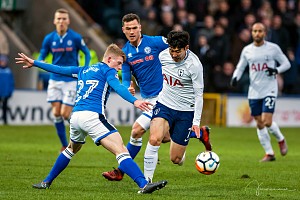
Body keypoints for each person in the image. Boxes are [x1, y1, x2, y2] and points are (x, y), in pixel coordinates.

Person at [15, 44, 167, 194]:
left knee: (71, 149)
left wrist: (34, 63)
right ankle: (143, 184)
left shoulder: (84, 69)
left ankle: (46, 181)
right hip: (92, 117)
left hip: (76, 118)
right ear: (109, 59)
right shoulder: (108, 70)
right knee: (121, 150)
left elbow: (60, 69)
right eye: (119, 63)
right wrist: (135, 101)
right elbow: (118, 87)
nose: (120, 67)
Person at [102, 13, 210, 181]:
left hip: (163, 96)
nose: (132, 31)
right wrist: (127, 87)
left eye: (134, 28)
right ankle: (196, 134)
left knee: (137, 131)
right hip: (149, 99)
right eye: (128, 29)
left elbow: (178, 47)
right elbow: (125, 78)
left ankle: (121, 171)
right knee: (161, 136)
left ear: (140, 28)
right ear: (123, 30)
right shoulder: (126, 54)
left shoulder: (156, 42)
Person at [143, 30, 212, 182]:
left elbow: (199, 95)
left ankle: (189, 135)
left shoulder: (194, 65)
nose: (174, 55)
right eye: (171, 50)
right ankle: (146, 182)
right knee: (154, 139)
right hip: (165, 104)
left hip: (185, 112)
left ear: (186, 48)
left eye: (177, 51)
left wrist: (195, 122)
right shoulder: (163, 56)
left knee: (176, 159)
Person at [230, 22, 290, 162]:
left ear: (265, 33)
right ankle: (269, 153)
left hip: (269, 88)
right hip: (254, 90)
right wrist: (235, 77)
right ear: (252, 33)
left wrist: (276, 70)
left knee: (267, 121)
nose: (257, 33)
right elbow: (240, 66)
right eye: (255, 31)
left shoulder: (273, 49)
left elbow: (286, 63)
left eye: (260, 31)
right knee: (259, 122)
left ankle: (281, 139)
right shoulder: (247, 50)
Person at [38, 8, 91, 152]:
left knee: (65, 114)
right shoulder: (49, 38)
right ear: (54, 21)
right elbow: (43, 53)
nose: (61, 21)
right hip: (54, 79)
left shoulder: (75, 37)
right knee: (56, 113)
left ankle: (81, 128)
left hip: (70, 80)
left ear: (68, 21)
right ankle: (64, 145)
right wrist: (39, 60)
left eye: (64, 19)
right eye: (59, 19)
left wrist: (84, 69)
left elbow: (86, 53)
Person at [0, 55, 14, 125]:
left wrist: (10, 92)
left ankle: (5, 120)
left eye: (4, 61)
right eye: (2, 61)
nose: (3, 63)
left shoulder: (8, 71)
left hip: (5, 92)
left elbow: (11, 82)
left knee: (5, 107)